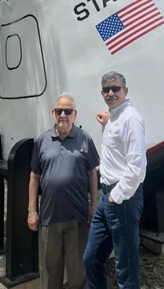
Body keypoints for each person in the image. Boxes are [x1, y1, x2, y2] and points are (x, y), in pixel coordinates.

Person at [27, 94, 100, 289]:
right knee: (51, 270)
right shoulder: (42, 141)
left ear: (75, 115)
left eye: (67, 111)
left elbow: (92, 173)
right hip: (49, 218)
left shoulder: (85, 139)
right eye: (59, 111)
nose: (63, 115)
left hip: (77, 218)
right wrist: (32, 211)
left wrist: (94, 205)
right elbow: (34, 177)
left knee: (77, 270)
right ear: (53, 114)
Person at [83, 71, 147, 289]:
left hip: (122, 198)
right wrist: (107, 124)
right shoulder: (116, 117)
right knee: (91, 259)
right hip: (106, 198)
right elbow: (117, 150)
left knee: (125, 267)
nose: (111, 93)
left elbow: (137, 166)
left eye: (116, 88)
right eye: (106, 89)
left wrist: (116, 196)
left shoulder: (131, 119)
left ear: (125, 91)